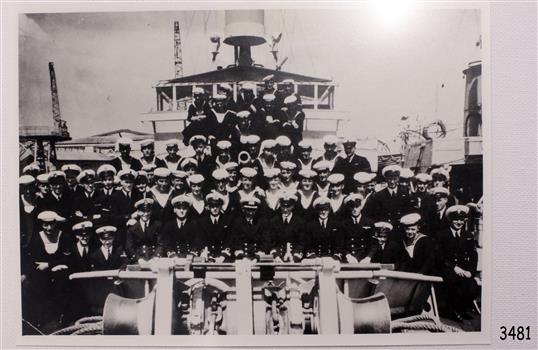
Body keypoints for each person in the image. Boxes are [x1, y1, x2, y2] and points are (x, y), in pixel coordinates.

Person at [25, 211, 72, 328]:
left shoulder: (64, 237)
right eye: (45, 225)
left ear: (56, 223)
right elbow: (33, 260)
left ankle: (61, 317)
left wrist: (50, 264)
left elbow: (68, 259)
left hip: (59, 270)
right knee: (37, 284)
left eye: (51, 224)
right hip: (42, 272)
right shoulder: (37, 238)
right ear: (42, 225)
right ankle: (41, 319)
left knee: (62, 280)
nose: (49, 228)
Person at [435, 205, 480, 322]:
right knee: (453, 283)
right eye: (456, 219)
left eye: (461, 220)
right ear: (450, 220)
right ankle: (451, 311)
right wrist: (454, 268)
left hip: (464, 270)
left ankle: (462, 309)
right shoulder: (441, 235)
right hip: (447, 269)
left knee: (473, 287)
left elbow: (473, 256)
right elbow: (439, 257)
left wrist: (470, 271)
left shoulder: (468, 235)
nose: (459, 222)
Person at [265, 191, 306, 262]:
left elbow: (301, 243)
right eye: (283, 206)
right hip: (278, 258)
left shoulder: (300, 222)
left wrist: (295, 256)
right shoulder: (274, 221)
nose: (285, 209)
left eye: (288, 206)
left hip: (295, 257)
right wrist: (276, 256)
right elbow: (271, 242)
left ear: (293, 206)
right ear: (280, 205)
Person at [340, 193, 376, 263]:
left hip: (365, 258)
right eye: (352, 207)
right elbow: (341, 245)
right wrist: (348, 256)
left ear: (361, 207)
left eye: (357, 206)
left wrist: (368, 257)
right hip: (349, 259)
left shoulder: (369, 222)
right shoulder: (344, 224)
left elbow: (374, 244)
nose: (355, 209)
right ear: (349, 208)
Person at [228, 196, 267, 261]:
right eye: (248, 210)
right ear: (243, 209)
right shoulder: (237, 223)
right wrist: (242, 256)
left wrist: (258, 257)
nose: (251, 213)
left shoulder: (261, 223)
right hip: (241, 257)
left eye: (253, 210)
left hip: (257, 257)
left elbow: (265, 242)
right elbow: (234, 242)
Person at [197, 192, 232, 262]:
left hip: (223, 257)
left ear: (221, 206)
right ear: (208, 207)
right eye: (212, 206)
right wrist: (204, 253)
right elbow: (200, 240)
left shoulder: (228, 221)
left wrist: (223, 256)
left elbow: (230, 240)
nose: (215, 209)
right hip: (207, 256)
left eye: (217, 206)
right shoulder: (202, 221)